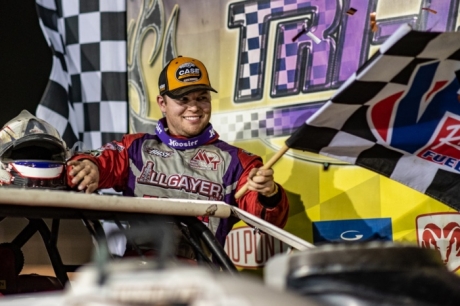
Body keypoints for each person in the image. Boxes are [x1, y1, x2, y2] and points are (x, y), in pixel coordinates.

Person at [67, 56, 289, 247]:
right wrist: (89, 166)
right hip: (139, 273)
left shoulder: (238, 162)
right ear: (162, 103)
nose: (194, 107)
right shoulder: (135, 148)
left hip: (201, 275)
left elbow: (269, 222)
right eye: (183, 99)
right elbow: (95, 162)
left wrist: (268, 194)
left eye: (202, 98)